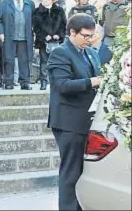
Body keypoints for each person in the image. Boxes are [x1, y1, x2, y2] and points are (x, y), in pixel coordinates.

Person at [47, 13, 101, 211]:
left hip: (88, 120)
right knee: (71, 171)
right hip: (68, 122)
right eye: (85, 36)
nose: (89, 39)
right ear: (72, 32)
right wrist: (93, 82)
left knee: (85, 172)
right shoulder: (60, 53)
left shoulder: (91, 52)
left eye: (92, 36)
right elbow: (62, 85)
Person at [0, 0, 35, 90]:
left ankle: (25, 82)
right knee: (9, 59)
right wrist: (0, 33)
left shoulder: (30, 4)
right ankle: (8, 82)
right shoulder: (5, 3)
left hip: (24, 37)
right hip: (9, 36)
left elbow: (33, 19)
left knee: (24, 59)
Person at [33, 0, 67, 90]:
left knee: (57, 62)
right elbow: (36, 28)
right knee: (44, 61)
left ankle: (56, 81)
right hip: (44, 42)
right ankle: (43, 81)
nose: (46, 0)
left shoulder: (59, 11)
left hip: (56, 41)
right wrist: (44, 36)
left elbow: (63, 25)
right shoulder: (37, 12)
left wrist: (59, 35)